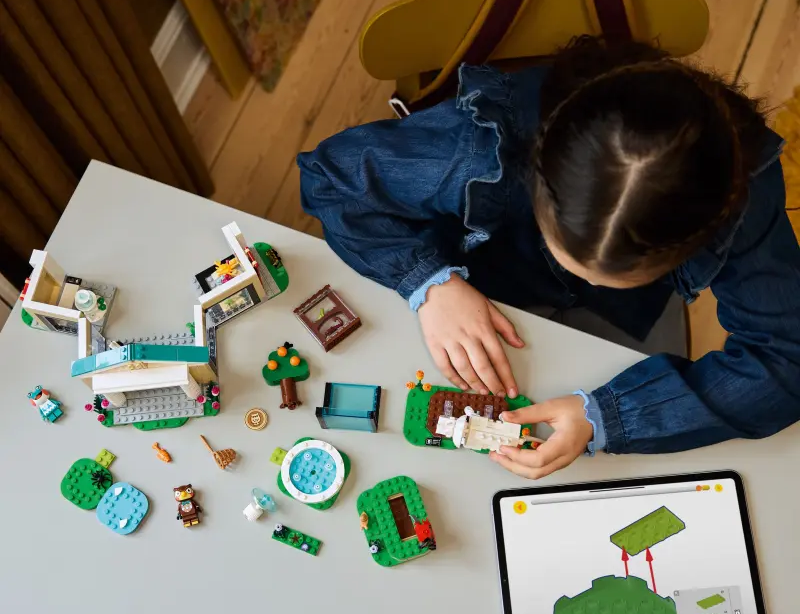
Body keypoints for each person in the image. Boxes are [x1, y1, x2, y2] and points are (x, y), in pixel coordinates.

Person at [297, 37, 800, 479]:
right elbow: (330, 178)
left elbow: (787, 361)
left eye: (613, 274)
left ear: (696, 242)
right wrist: (429, 282)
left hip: (616, 321)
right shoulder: (482, 146)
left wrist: (605, 419)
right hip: (478, 277)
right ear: (536, 176)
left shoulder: (740, 192)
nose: (593, 280)